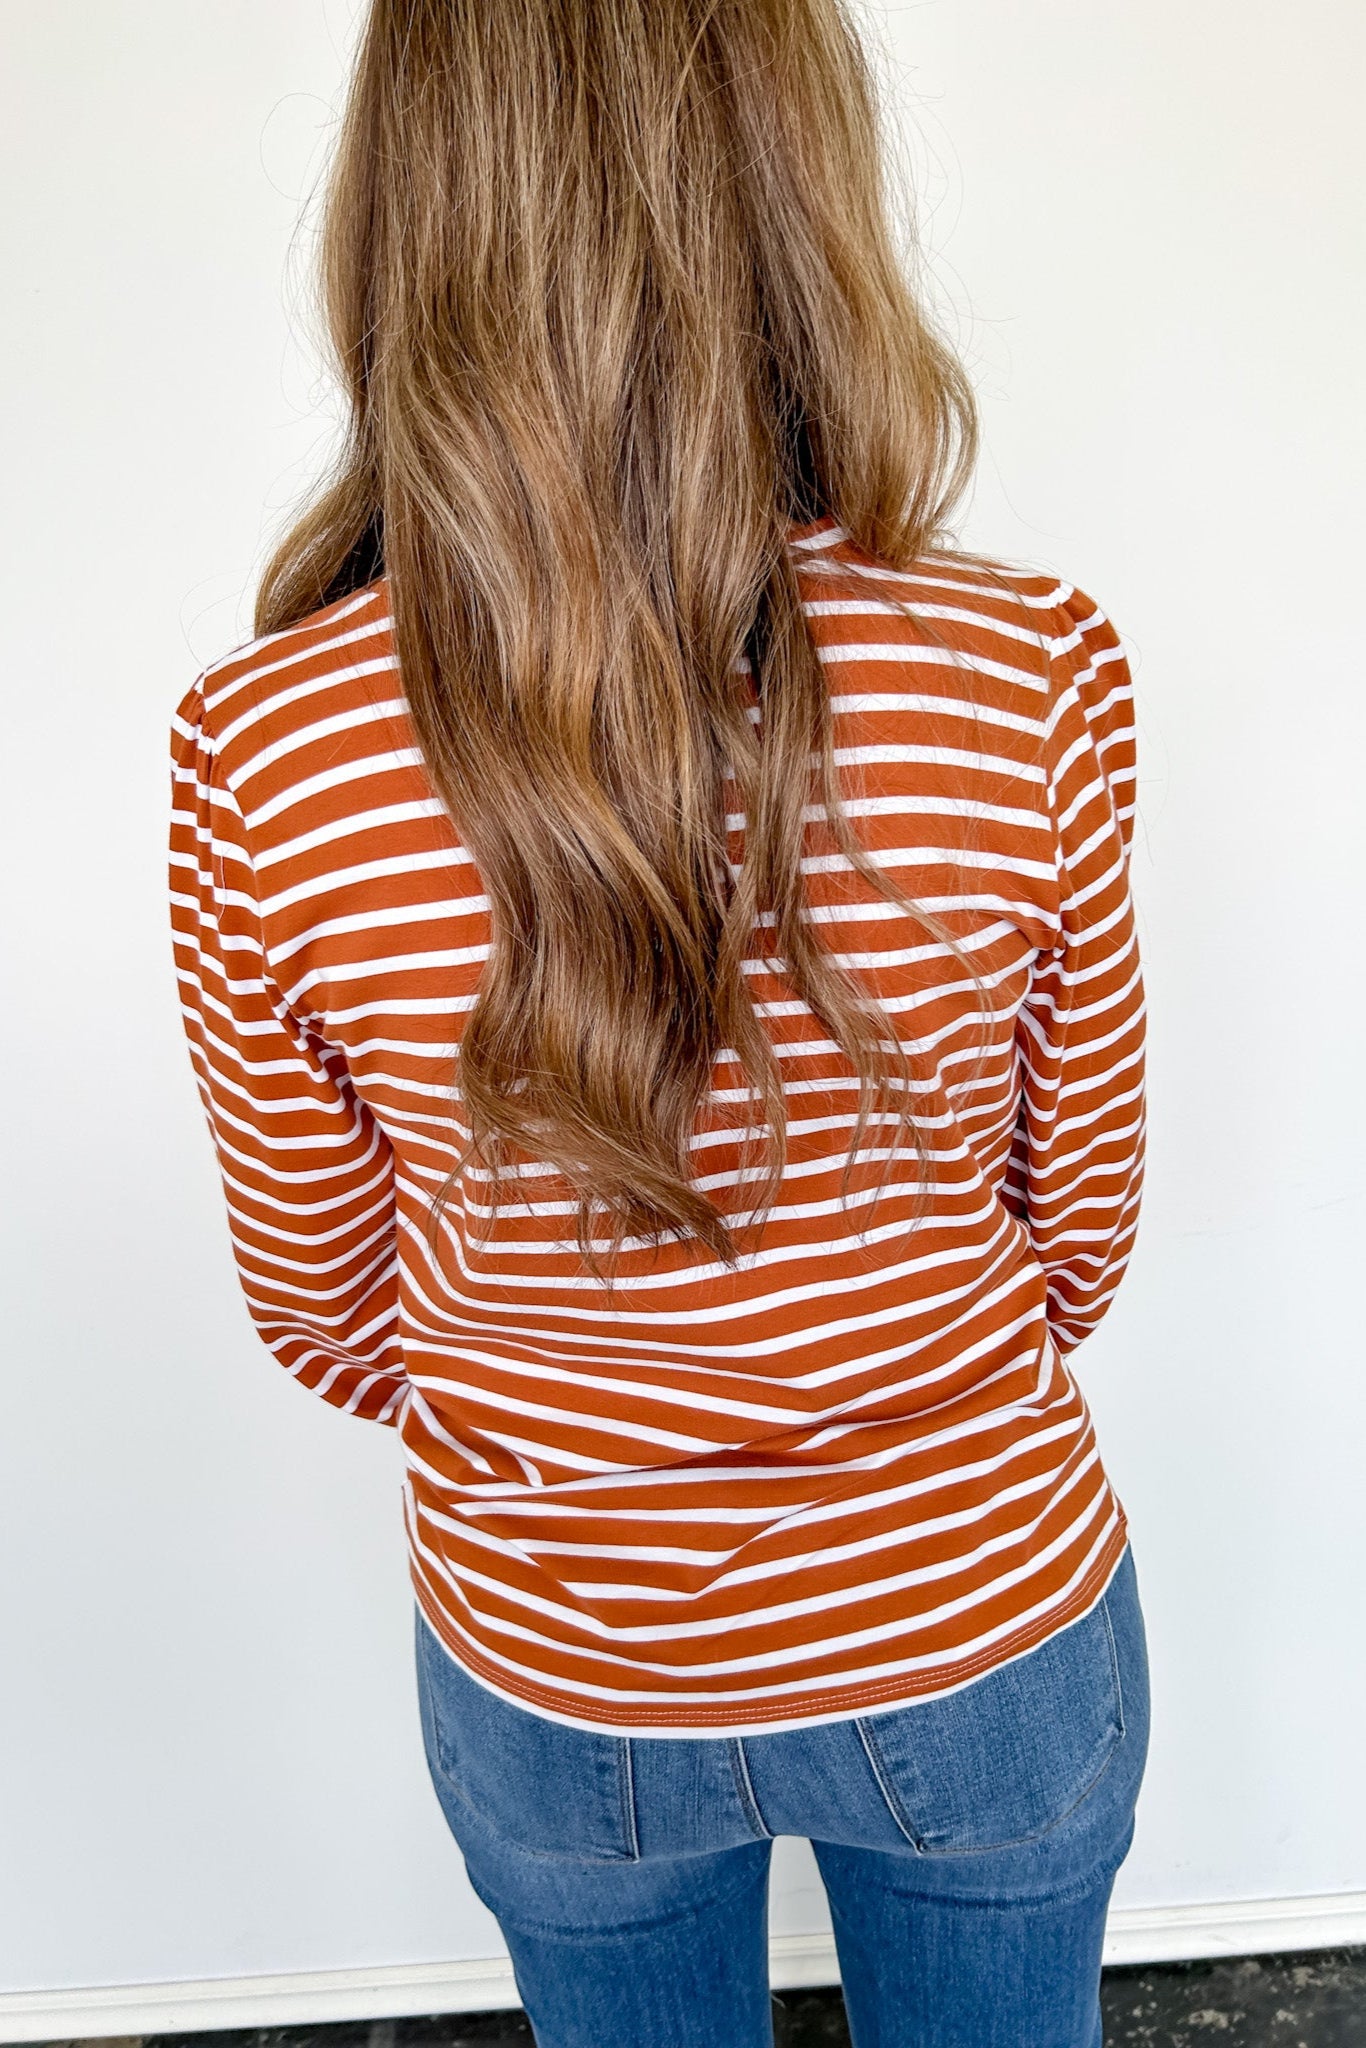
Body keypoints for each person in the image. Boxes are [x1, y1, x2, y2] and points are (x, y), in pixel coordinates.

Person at [168, 2, 1149, 2042]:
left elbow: (320, 1306)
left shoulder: (261, 752)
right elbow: (1076, 1233)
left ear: (409, 219)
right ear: (801, 188)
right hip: (975, 1613)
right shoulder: (1023, 670)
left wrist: (586, 1411)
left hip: (561, 1665)